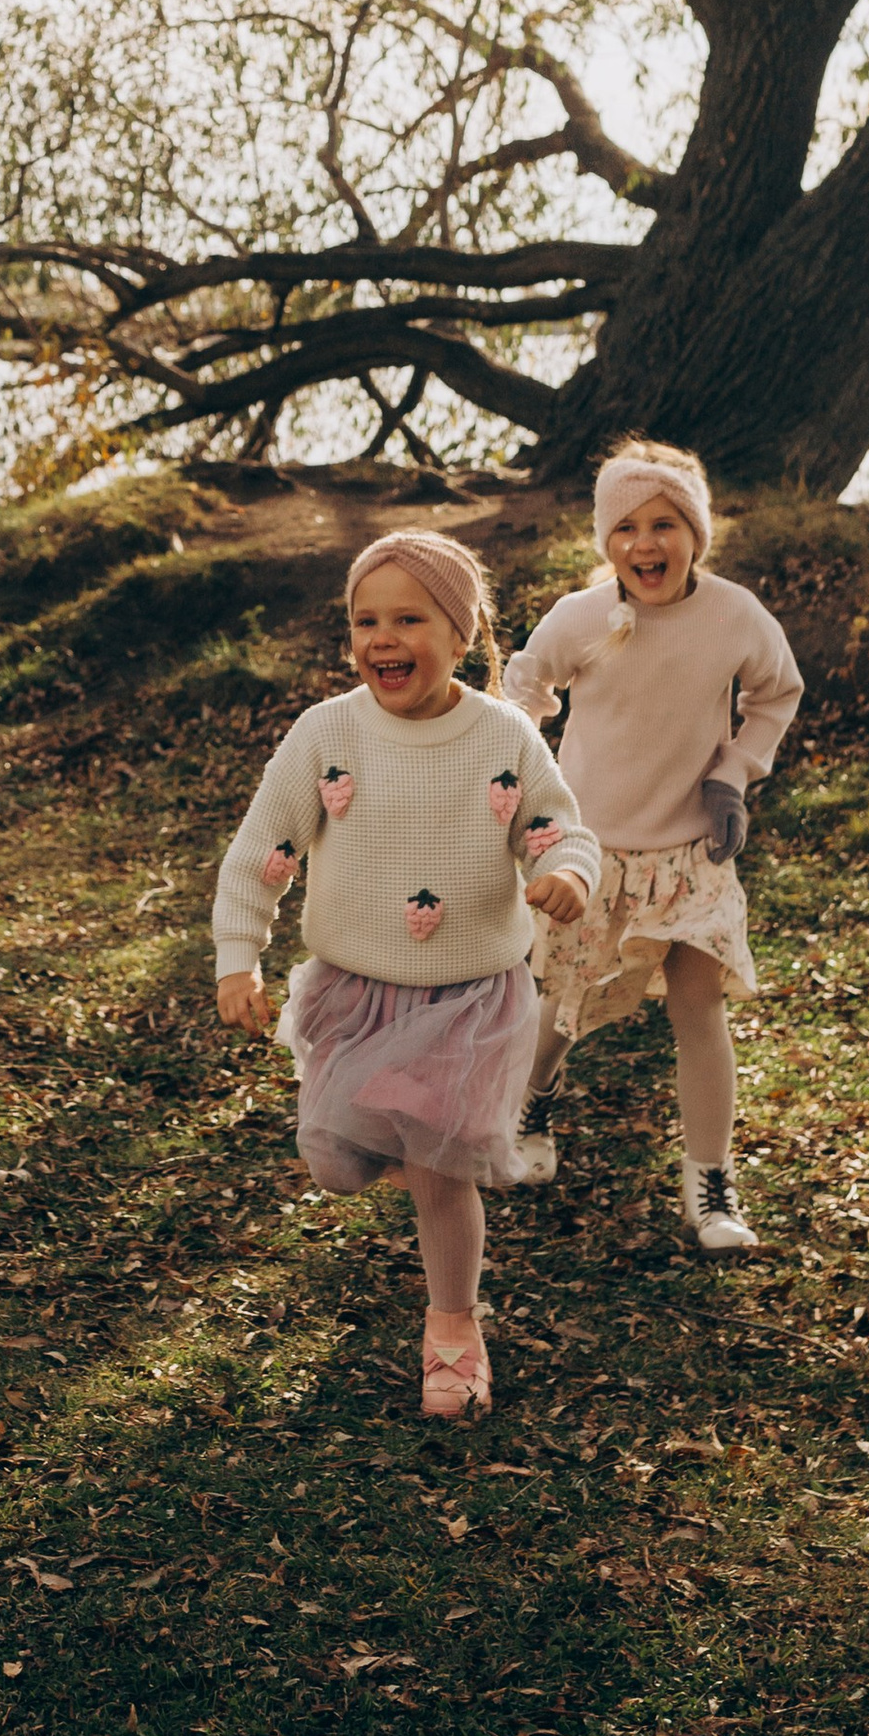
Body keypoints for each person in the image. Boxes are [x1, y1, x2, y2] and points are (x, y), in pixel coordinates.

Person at [211, 531, 596, 1419]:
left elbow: (558, 826)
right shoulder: (327, 732)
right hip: (356, 988)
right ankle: (418, 1151)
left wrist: (569, 872)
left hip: (469, 997)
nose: (383, 637)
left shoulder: (503, 735)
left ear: (460, 635)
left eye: (409, 618)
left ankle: (453, 1332)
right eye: (365, 620)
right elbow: (263, 849)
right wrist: (241, 952)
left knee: (443, 1174)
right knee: (336, 1167)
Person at [505, 440, 804, 1253]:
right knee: (560, 1002)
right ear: (607, 543)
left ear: (695, 534)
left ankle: (710, 1183)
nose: (647, 544)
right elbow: (522, 681)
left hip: (690, 855)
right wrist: (528, 771)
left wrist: (735, 773)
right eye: (628, 528)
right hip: (589, 852)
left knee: (699, 1008)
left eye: (666, 524)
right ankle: (530, 1104)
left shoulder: (735, 615)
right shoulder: (585, 617)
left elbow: (779, 692)